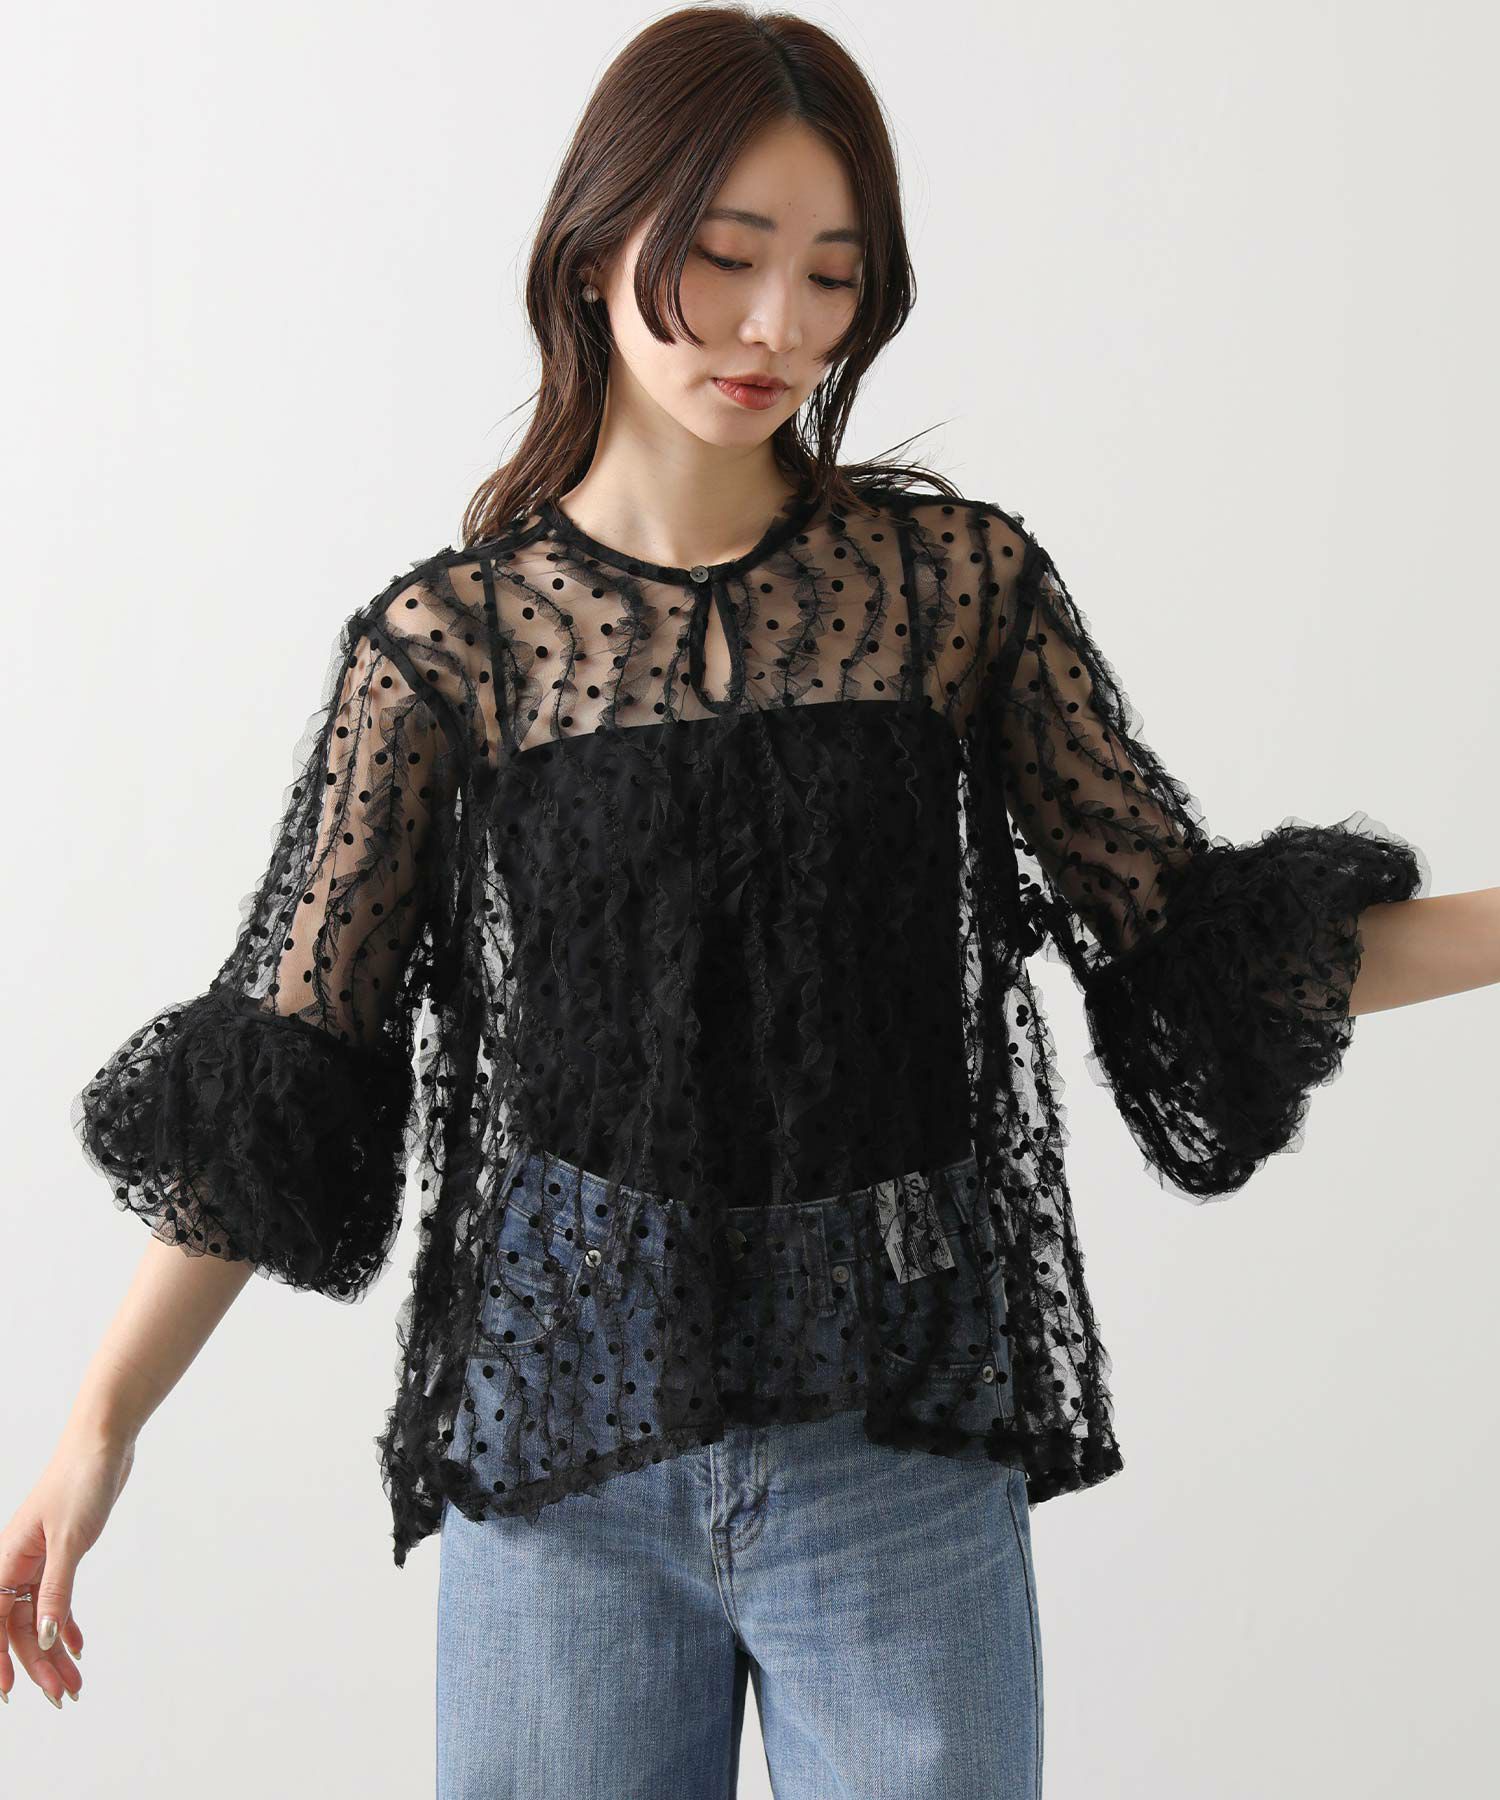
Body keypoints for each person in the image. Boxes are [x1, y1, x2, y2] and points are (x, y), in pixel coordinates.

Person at [2, 7, 1488, 1795]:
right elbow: (288, 1078)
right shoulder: (450, 654)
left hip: (895, 1440)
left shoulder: (951, 593)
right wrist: (99, 1428)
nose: (778, 325)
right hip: (566, 1453)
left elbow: (1194, 954)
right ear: (595, 245)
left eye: (831, 275)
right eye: (724, 257)